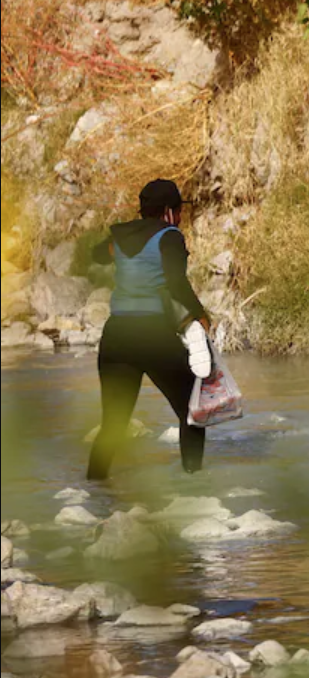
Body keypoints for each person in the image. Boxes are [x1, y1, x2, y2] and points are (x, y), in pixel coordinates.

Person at [87, 179, 210, 480]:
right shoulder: (170, 236)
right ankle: (193, 484)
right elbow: (177, 283)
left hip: (116, 337)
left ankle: (94, 489)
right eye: (179, 211)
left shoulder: (120, 238)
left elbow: (95, 255)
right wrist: (201, 316)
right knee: (193, 411)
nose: (180, 218)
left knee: (113, 423)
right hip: (152, 335)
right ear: (168, 211)